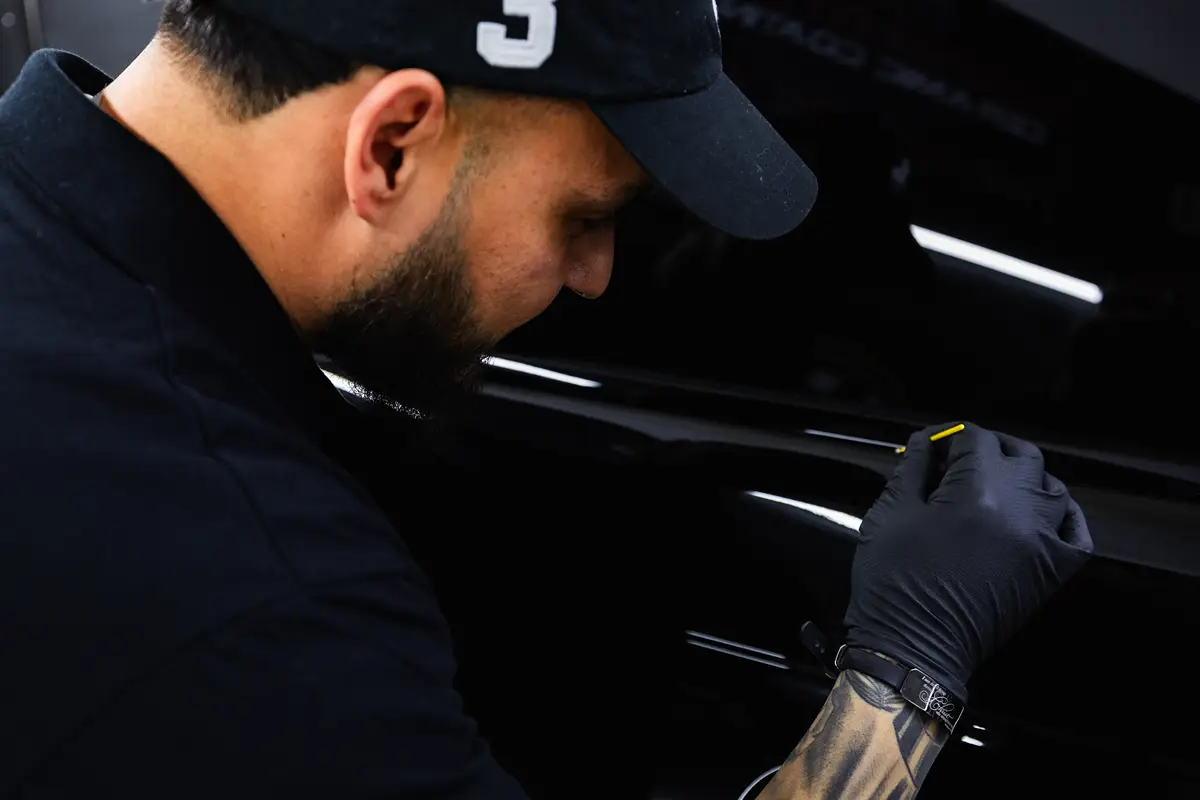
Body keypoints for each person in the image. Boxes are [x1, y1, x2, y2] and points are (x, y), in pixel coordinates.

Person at [0, 1, 1091, 798]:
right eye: (586, 215)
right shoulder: (264, 607)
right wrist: (904, 672)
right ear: (391, 144)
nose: (598, 276)